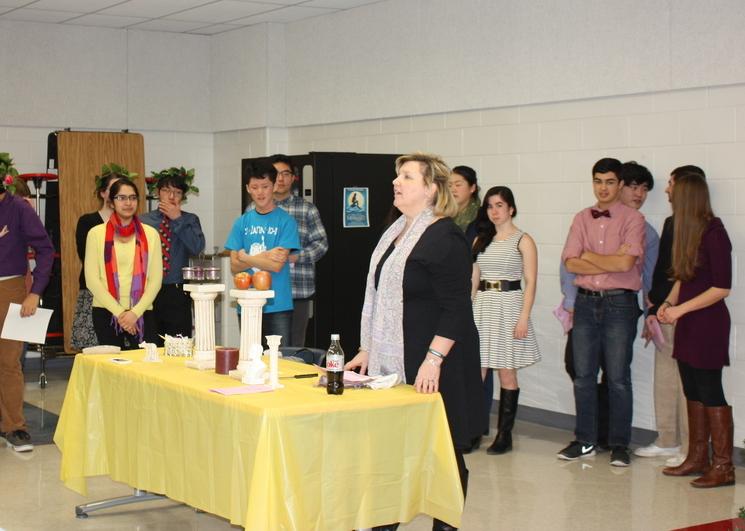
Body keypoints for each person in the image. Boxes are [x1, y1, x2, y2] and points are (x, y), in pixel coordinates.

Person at [345, 152, 485, 531]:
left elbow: (457, 308)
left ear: (431, 188)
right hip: (396, 358)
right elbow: (381, 297)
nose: (396, 182)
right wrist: (367, 349)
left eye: (407, 176)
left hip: (438, 360)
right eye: (398, 175)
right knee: (392, 444)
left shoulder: (445, 236)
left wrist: (433, 358)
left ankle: (446, 523)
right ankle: (385, 520)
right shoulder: (397, 230)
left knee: (443, 449)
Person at [558, 158, 645, 467]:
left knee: (618, 377)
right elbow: (570, 261)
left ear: (619, 185)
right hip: (585, 302)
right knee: (582, 376)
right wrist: (606, 258)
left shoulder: (634, 219)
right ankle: (585, 440)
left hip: (619, 304)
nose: (603, 188)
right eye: (598, 181)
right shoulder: (581, 218)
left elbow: (625, 265)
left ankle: (620, 444)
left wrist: (590, 256)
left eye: (609, 182)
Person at [659, 173, 734, 489]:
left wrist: (681, 310)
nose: (667, 190)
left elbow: (722, 288)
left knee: (709, 388)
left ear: (686, 195)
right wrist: (668, 303)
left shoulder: (715, 233)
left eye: (671, 187)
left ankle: (724, 466)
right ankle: (697, 457)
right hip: (689, 321)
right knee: (691, 387)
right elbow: (684, 277)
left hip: (708, 324)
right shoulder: (688, 230)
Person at [635, 165, 705, 464]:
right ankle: (667, 439)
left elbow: (691, 274)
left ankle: (690, 447)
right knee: (664, 375)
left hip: (688, 311)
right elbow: (665, 268)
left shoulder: (704, 227)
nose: (666, 189)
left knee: (686, 381)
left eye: (671, 183)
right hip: (665, 309)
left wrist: (671, 306)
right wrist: (655, 307)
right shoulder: (671, 222)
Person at [471, 186, 540, 455]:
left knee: (507, 371)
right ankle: (475, 429)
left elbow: (531, 281)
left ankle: (504, 435)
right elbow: (474, 278)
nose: (494, 211)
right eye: (490, 206)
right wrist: (468, 308)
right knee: (478, 371)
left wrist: (523, 317)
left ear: (511, 208)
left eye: (499, 205)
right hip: (483, 305)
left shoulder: (523, 240)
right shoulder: (481, 240)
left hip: (509, 305)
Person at [0, 175, 54, 452]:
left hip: (10, 288)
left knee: (9, 361)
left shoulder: (19, 208)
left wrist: (35, 292)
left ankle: (14, 426)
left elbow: (45, 249)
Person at [226, 162, 300, 342]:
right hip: (248, 303)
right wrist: (265, 256)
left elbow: (276, 266)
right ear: (248, 189)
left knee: (281, 360)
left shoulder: (286, 221)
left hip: (278, 305)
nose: (260, 192)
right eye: (255, 187)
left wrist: (246, 257)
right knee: (250, 359)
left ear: (274, 186)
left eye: (265, 186)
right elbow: (235, 266)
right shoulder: (241, 222)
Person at [84, 178, 162, 348]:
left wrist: (134, 313)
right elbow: (91, 280)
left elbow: (155, 280)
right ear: (111, 202)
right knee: (112, 367)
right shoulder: (96, 234)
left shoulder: (151, 234)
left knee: (144, 367)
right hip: (106, 310)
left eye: (133, 198)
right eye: (122, 198)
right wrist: (121, 313)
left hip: (142, 311)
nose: (128, 203)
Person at [269, 154, 328, 347]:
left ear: (294, 177)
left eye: (286, 173)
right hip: (265, 290)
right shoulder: (256, 209)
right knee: (264, 347)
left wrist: (295, 257)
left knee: (293, 348)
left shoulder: (307, 209)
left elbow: (321, 244)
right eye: (275, 174)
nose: (280, 178)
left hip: (298, 289)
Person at [141, 168, 205, 345]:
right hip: (148, 290)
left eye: (177, 192)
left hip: (177, 290)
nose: (171, 196)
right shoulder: (143, 220)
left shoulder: (190, 219)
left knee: (179, 343)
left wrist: (177, 219)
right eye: (166, 191)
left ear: (182, 197)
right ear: (157, 193)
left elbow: (197, 247)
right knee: (150, 342)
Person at [72, 170, 124, 350]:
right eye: (113, 189)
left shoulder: (131, 223)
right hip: (94, 290)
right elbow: (85, 255)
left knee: (122, 348)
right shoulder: (87, 221)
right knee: (95, 347)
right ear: (103, 193)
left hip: (123, 290)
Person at [449, 165, 480, 232]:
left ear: (472, 188)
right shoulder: (442, 214)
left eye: (458, 185)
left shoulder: (481, 217)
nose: (452, 190)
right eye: (449, 185)